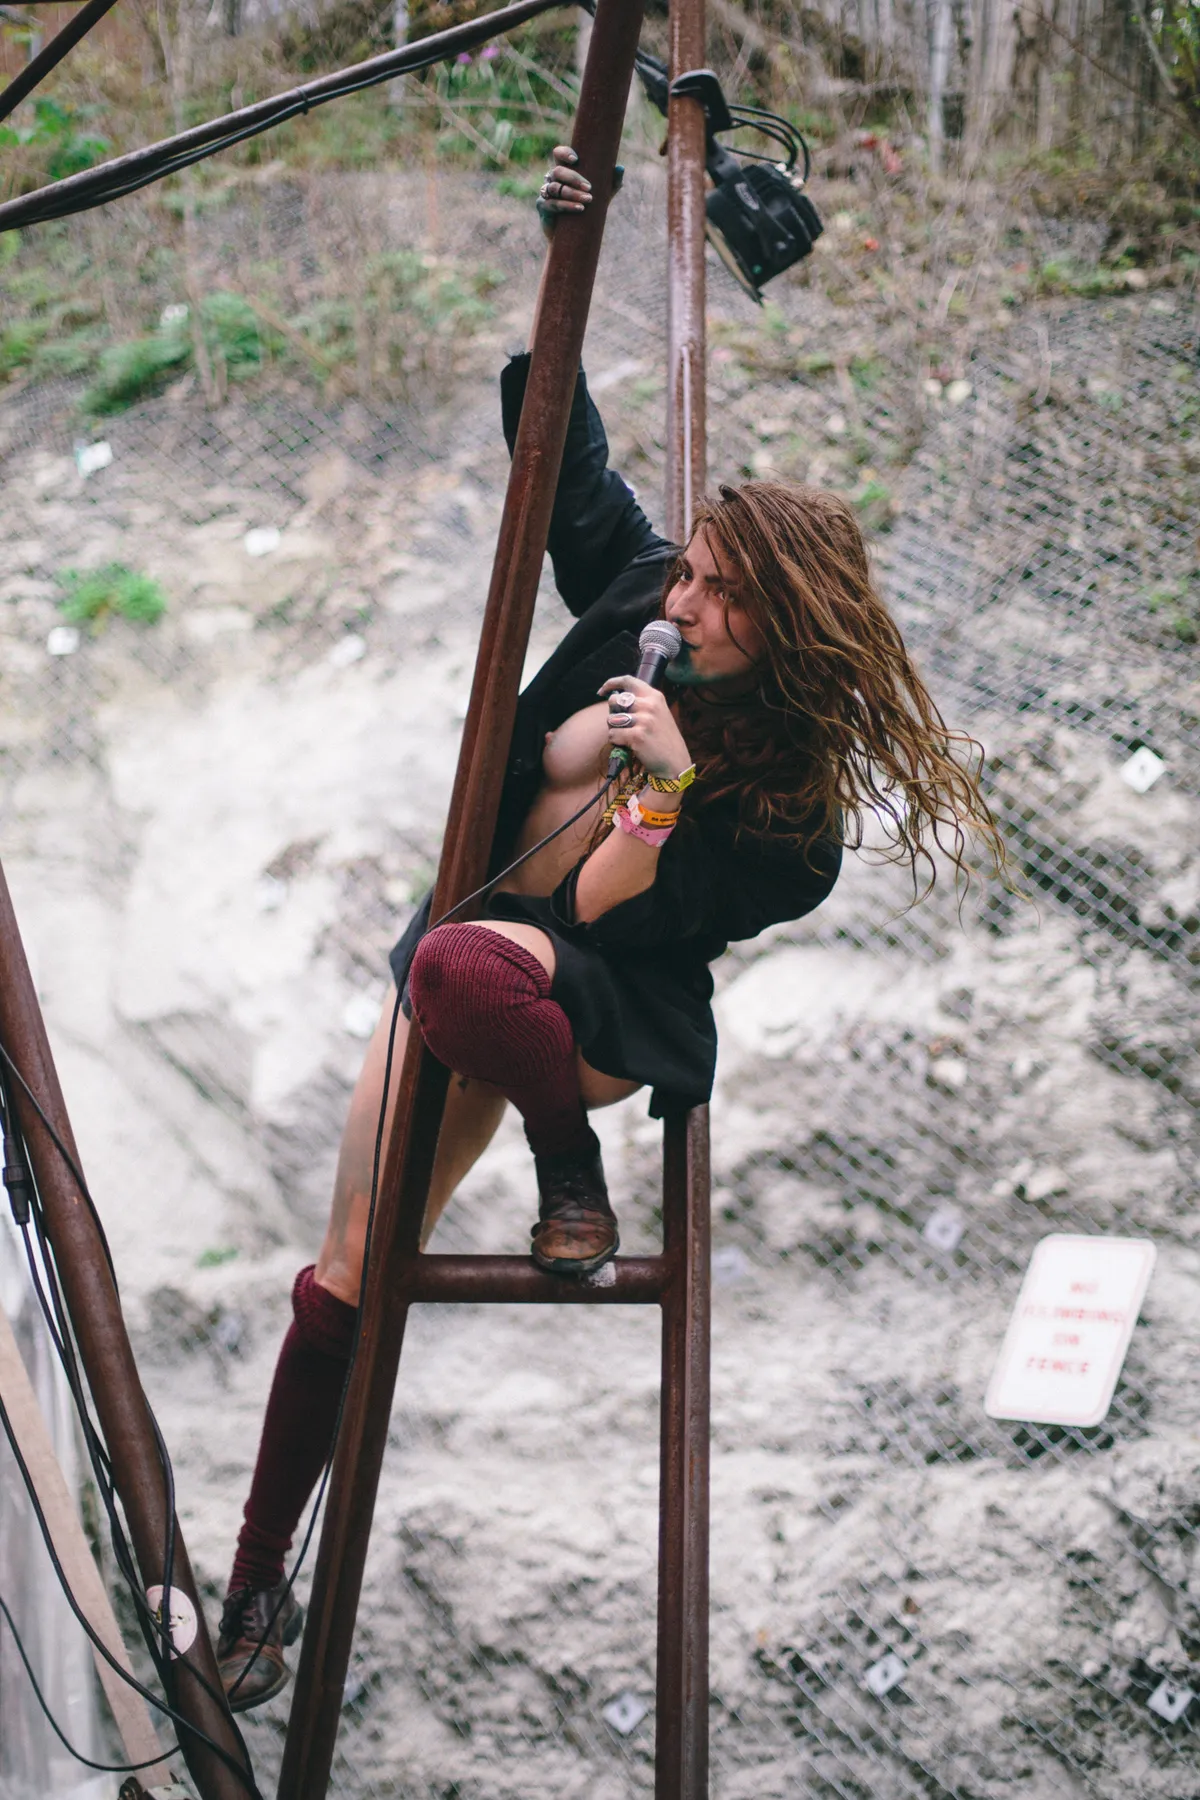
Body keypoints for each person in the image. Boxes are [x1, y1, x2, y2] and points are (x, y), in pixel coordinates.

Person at [215, 149, 1001, 1708]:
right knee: (348, 1271)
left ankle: (569, 1159)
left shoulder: (787, 819)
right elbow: (560, 459)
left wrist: (666, 785)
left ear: (782, 625)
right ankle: (254, 1591)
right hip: (468, 957)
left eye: (718, 595)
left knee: (466, 964)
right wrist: (561, 266)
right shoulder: (640, 595)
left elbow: (594, 910)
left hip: (590, 1004)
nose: (683, 602)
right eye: (689, 573)